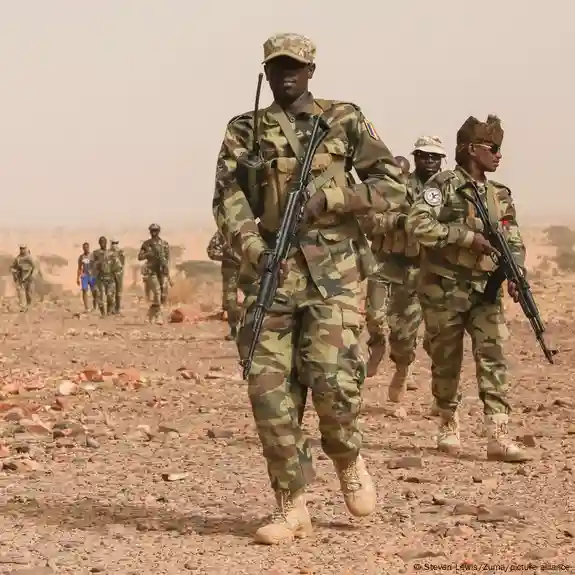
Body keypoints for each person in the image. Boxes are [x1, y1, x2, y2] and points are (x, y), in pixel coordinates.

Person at [213, 32, 408, 544]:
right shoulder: (244, 130)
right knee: (269, 392)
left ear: (311, 71)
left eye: (295, 67)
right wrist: (255, 251)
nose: (286, 75)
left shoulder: (343, 119)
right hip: (271, 275)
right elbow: (229, 201)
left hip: (333, 275)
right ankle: (291, 504)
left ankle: (347, 456)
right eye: (277, 67)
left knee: (333, 383)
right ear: (266, 71)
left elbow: (393, 185)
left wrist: (334, 199)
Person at [405, 115, 530, 462]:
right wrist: (464, 237)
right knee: (446, 361)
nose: (499, 155)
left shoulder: (499, 194)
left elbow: (513, 238)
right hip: (443, 289)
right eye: (493, 148)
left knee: (493, 357)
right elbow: (417, 223)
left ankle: (498, 434)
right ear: (472, 149)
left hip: (485, 291)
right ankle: (448, 421)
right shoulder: (442, 185)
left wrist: (516, 272)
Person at [364, 137, 446, 403]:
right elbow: (370, 221)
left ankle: (401, 372)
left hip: (418, 269)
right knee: (374, 315)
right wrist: (399, 221)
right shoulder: (397, 186)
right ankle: (376, 345)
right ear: (416, 158)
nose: (430, 161)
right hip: (386, 261)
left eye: (435, 157)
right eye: (424, 155)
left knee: (404, 333)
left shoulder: (447, 191)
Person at [206, 230, 242, 340]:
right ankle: (234, 330)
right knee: (231, 301)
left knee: (256, 298)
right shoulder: (223, 232)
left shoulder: (250, 229)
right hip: (231, 270)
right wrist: (228, 257)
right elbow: (211, 251)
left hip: (249, 269)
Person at [138, 224, 170, 323]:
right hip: (151, 271)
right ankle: (158, 316)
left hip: (161, 271)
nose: (154, 232)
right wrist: (148, 254)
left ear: (159, 231)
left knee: (163, 295)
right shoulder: (146, 244)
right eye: (152, 230)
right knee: (157, 292)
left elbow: (167, 259)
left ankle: (151, 312)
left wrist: (166, 271)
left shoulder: (164, 244)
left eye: (155, 230)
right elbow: (140, 257)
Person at [90, 236, 120, 316]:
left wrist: (116, 275)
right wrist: (96, 265)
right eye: (101, 242)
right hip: (99, 277)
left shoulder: (111, 253)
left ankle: (109, 312)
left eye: (104, 242)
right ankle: (103, 313)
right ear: (99, 243)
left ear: (106, 243)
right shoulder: (95, 253)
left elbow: (117, 265)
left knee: (110, 296)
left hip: (110, 277)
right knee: (99, 296)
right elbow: (91, 264)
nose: (102, 243)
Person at [10, 245, 35, 310]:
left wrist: (32, 275)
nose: (22, 250)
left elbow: (34, 267)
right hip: (21, 277)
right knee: (21, 292)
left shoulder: (29, 257)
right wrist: (14, 273)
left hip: (29, 278)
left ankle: (29, 306)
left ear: (26, 249)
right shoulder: (17, 258)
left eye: (23, 248)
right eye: (21, 249)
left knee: (29, 292)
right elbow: (13, 267)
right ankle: (23, 306)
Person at [77, 242, 96, 312]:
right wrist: (77, 278)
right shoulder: (81, 257)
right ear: (83, 248)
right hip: (85, 275)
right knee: (84, 290)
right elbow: (79, 268)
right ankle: (86, 308)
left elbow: (96, 265)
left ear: (89, 247)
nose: (86, 249)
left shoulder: (92, 256)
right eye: (84, 248)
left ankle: (95, 306)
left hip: (92, 275)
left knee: (94, 291)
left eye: (87, 247)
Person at [110, 239, 125, 314]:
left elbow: (122, 263)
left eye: (116, 243)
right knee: (111, 291)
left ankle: (118, 308)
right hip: (111, 273)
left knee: (118, 292)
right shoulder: (108, 253)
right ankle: (112, 308)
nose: (114, 244)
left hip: (119, 273)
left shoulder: (120, 252)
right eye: (113, 243)